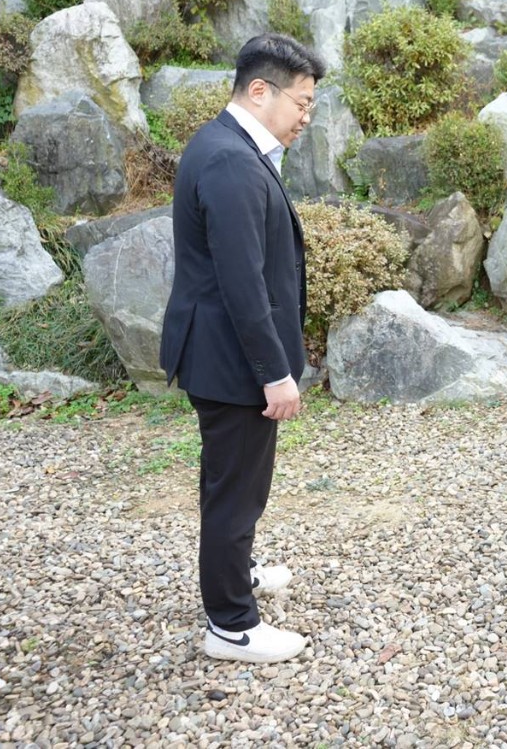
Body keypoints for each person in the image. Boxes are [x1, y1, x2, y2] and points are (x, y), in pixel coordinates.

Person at [159, 33, 326, 664]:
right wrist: (274, 372)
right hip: (231, 361)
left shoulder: (224, 145)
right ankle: (230, 624)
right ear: (260, 90)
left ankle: (237, 572)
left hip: (220, 353)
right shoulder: (231, 160)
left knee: (232, 481)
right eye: (301, 103)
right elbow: (241, 282)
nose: (305, 116)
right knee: (236, 490)